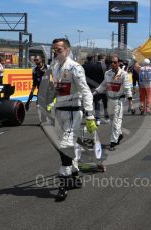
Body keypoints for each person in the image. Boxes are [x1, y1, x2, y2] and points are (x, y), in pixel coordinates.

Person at [51, 38, 97, 201]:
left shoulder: (75, 67)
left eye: (59, 49)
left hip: (72, 112)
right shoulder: (55, 66)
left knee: (65, 146)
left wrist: (90, 115)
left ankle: (63, 184)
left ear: (68, 50)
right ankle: (74, 174)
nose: (56, 52)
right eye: (54, 49)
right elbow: (56, 89)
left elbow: (86, 91)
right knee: (67, 144)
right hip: (59, 112)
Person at [94, 55, 132, 151]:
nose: (112, 64)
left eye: (114, 62)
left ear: (119, 63)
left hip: (118, 101)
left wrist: (130, 101)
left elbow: (127, 88)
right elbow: (103, 85)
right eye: (111, 62)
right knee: (111, 122)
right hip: (109, 100)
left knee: (116, 122)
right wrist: (94, 92)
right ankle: (119, 135)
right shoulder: (107, 73)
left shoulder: (123, 74)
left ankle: (113, 142)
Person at [89, 54, 109, 125]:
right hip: (104, 87)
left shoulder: (93, 66)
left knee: (96, 102)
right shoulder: (106, 66)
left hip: (94, 86)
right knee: (105, 101)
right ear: (103, 58)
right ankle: (106, 116)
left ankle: (97, 119)